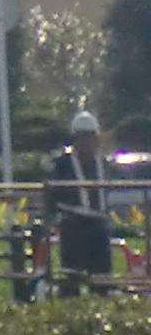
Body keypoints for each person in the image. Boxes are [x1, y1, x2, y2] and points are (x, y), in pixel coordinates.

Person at [50, 110, 116, 297]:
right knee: (71, 281)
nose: (86, 142)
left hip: (99, 228)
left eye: (90, 137)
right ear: (75, 138)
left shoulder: (103, 164)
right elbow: (53, 196)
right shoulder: (62, 166)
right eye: (82, 137)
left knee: (103, 282)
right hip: (73, 228)